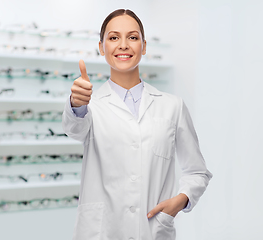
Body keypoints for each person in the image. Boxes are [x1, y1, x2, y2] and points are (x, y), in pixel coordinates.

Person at [62, 9, 213, 240]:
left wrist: (181, 200)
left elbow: (197, 171)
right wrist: (77, 103)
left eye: (132, 37)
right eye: (114, 38)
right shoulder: (90, 108)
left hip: (153, 230)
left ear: (143, 46)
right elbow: (75, 128)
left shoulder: (173, 106)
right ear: (102, 47)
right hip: (101, 232)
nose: (123, 45)